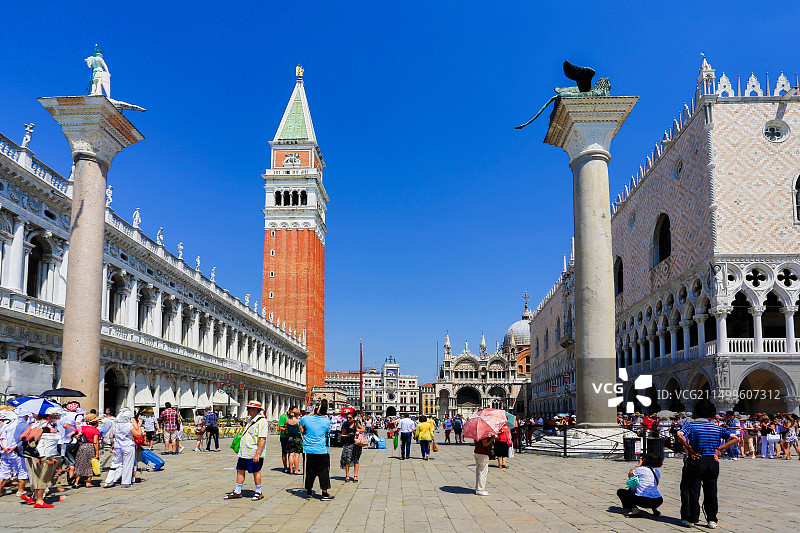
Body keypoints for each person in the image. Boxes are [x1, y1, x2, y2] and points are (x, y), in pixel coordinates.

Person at [676, 402, 740, 529]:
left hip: (696, 459)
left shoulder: (691, 426)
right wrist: (719, 449)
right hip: (712, 461)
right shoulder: (717, 428)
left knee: (692, 490)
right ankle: (712, 519)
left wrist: (689, 449)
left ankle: (691, 518)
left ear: (696, 413)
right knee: (711, 490)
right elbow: (735, 438)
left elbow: (679, 434)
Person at [225, 401, 268, 501]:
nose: (247, 410)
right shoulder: (250, 419)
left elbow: (262, 439)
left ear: (255, 409)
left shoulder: (262, 421)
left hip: (253, 451)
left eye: (249, 408)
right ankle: (237, 491)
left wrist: (257, 454)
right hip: (244, 451)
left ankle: (258, 492)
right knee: (240, 470)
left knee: (255, 471)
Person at [21, 413, 61, 508]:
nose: (57, 418)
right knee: (42, 477)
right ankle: (39, 500)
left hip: (36, 454)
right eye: (55, 416)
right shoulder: (43, 426)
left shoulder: (35, 424)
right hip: (43, 455)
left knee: (35, 476)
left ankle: (34, 496)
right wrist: (40, 456)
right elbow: (35, 439)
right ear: (49, 416)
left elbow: (22, 437)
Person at [299, 400, 333, 501]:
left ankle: (309, 492)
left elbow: (301, 425)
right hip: (322, 449)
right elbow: (327, 431)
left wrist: (312, 413)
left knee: (310, 471)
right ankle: (324, 492)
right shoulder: (327, 421)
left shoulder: (306, 419)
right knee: (324, 471)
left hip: (309, 449)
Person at [103, 408, 142, 488]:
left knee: (115, 463)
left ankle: (108, 481)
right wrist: (139, 425)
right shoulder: (129, 425)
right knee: (128, 464)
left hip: (117, 445)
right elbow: (138, 435)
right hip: (128, 445)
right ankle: (125, 482)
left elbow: (111, 436)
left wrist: (113, 444)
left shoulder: (115, 424)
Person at [617, 453, 664, 517]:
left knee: (621, 492)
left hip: (644, 500)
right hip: (658, 500)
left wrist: (638, 465)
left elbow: (630, 474)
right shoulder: (657, 471)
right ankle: (654, 509)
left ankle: (635, 510)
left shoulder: (641, 469)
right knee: (650, 490)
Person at [0, 410, 29, 500]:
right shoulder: (23, 425)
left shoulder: (6, 424)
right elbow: (22, 439)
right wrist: (13, 448)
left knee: (4, 471)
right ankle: (21, 490)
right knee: (22, 470)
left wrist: (4, 448)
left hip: (4, 451)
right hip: (16, 451)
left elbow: (1, 438)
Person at [73, 414, 101, 487]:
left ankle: (76, 482)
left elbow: (77, 435)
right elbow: (95, 442)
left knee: (80, 463)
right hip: (90, 447)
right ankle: (88, 482)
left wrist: (80, 439)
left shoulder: (83, 428)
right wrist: (97, 453)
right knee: (90, 464)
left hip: (83, 446)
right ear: (95, 422)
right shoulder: (95, 430)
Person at [340, 411, 365, 481]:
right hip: (348, 444)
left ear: (353, 418)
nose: (348, 419)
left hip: (356, 444)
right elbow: (342, 435)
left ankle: (355, 476)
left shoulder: (356, 423)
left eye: (350, 418)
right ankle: (347, 476)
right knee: (347, 460)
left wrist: (358, 430)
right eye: (347, 417)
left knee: (356, 460)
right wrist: (347, 435)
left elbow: (363, 429)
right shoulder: (345, 425)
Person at [277, 406, 295, 474]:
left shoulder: (291, 417)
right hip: (284, 437)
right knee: (284, 452)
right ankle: (285, 467)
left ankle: (290, 467)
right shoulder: (283, 416)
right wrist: (287, 430)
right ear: (290, 411)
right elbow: (280, 427)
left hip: (291, 437)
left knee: (291, 453)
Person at [285, 409, 303, 474]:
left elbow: (287, 431)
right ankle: (296, 470)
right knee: (297, 454)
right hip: (297, 438)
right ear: (297, 414)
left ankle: (291, 470)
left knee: (291, 454)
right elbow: (302, 431)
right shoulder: (298, 421)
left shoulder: (287, 421)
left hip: (290, 438)